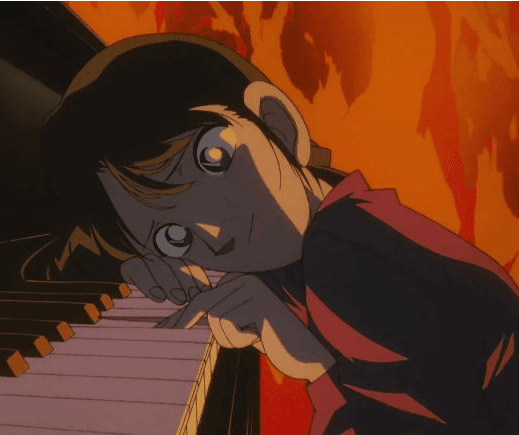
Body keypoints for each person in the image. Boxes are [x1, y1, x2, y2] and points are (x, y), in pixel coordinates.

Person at [26, 34, 519, 434]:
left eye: (213, 161)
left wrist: (317, 367)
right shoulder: (316, 234)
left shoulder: (347, 255)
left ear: (277, 124)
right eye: (174, 235)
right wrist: (132, 262)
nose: (212, 235)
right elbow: (53, 265)